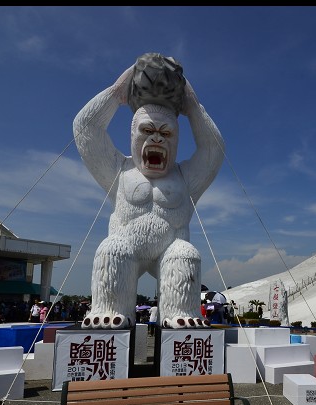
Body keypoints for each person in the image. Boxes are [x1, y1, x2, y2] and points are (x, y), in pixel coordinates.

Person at [73, 52, 223, 330]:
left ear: (176, 140)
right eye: (147, 131)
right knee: (112, 249)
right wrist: (120, 89)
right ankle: (108, 309)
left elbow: (213, 149)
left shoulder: (185, 178)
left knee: (186, 254)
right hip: (127, 247)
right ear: (133, 136)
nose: (156, 138)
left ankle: (180, 313)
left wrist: (193, 106)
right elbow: (86, 128)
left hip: (170, 247)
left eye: (166, 134)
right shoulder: (120, 170)